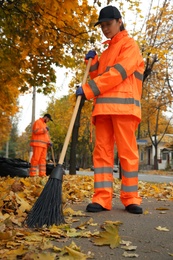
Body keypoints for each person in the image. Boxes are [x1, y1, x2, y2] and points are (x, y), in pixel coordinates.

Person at [76, 5, 144, 214]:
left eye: (108, 24)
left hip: (124, 109)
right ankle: (102, 198)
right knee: (102, 154)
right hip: (104, 109)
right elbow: (100, 77)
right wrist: (93, 63)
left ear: (119, 21)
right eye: (102, 25)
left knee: (127, 154)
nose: (105, 28)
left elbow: (117, 74)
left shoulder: (130, 46)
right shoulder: (106, 53)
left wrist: (87, 90)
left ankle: (131, 198)